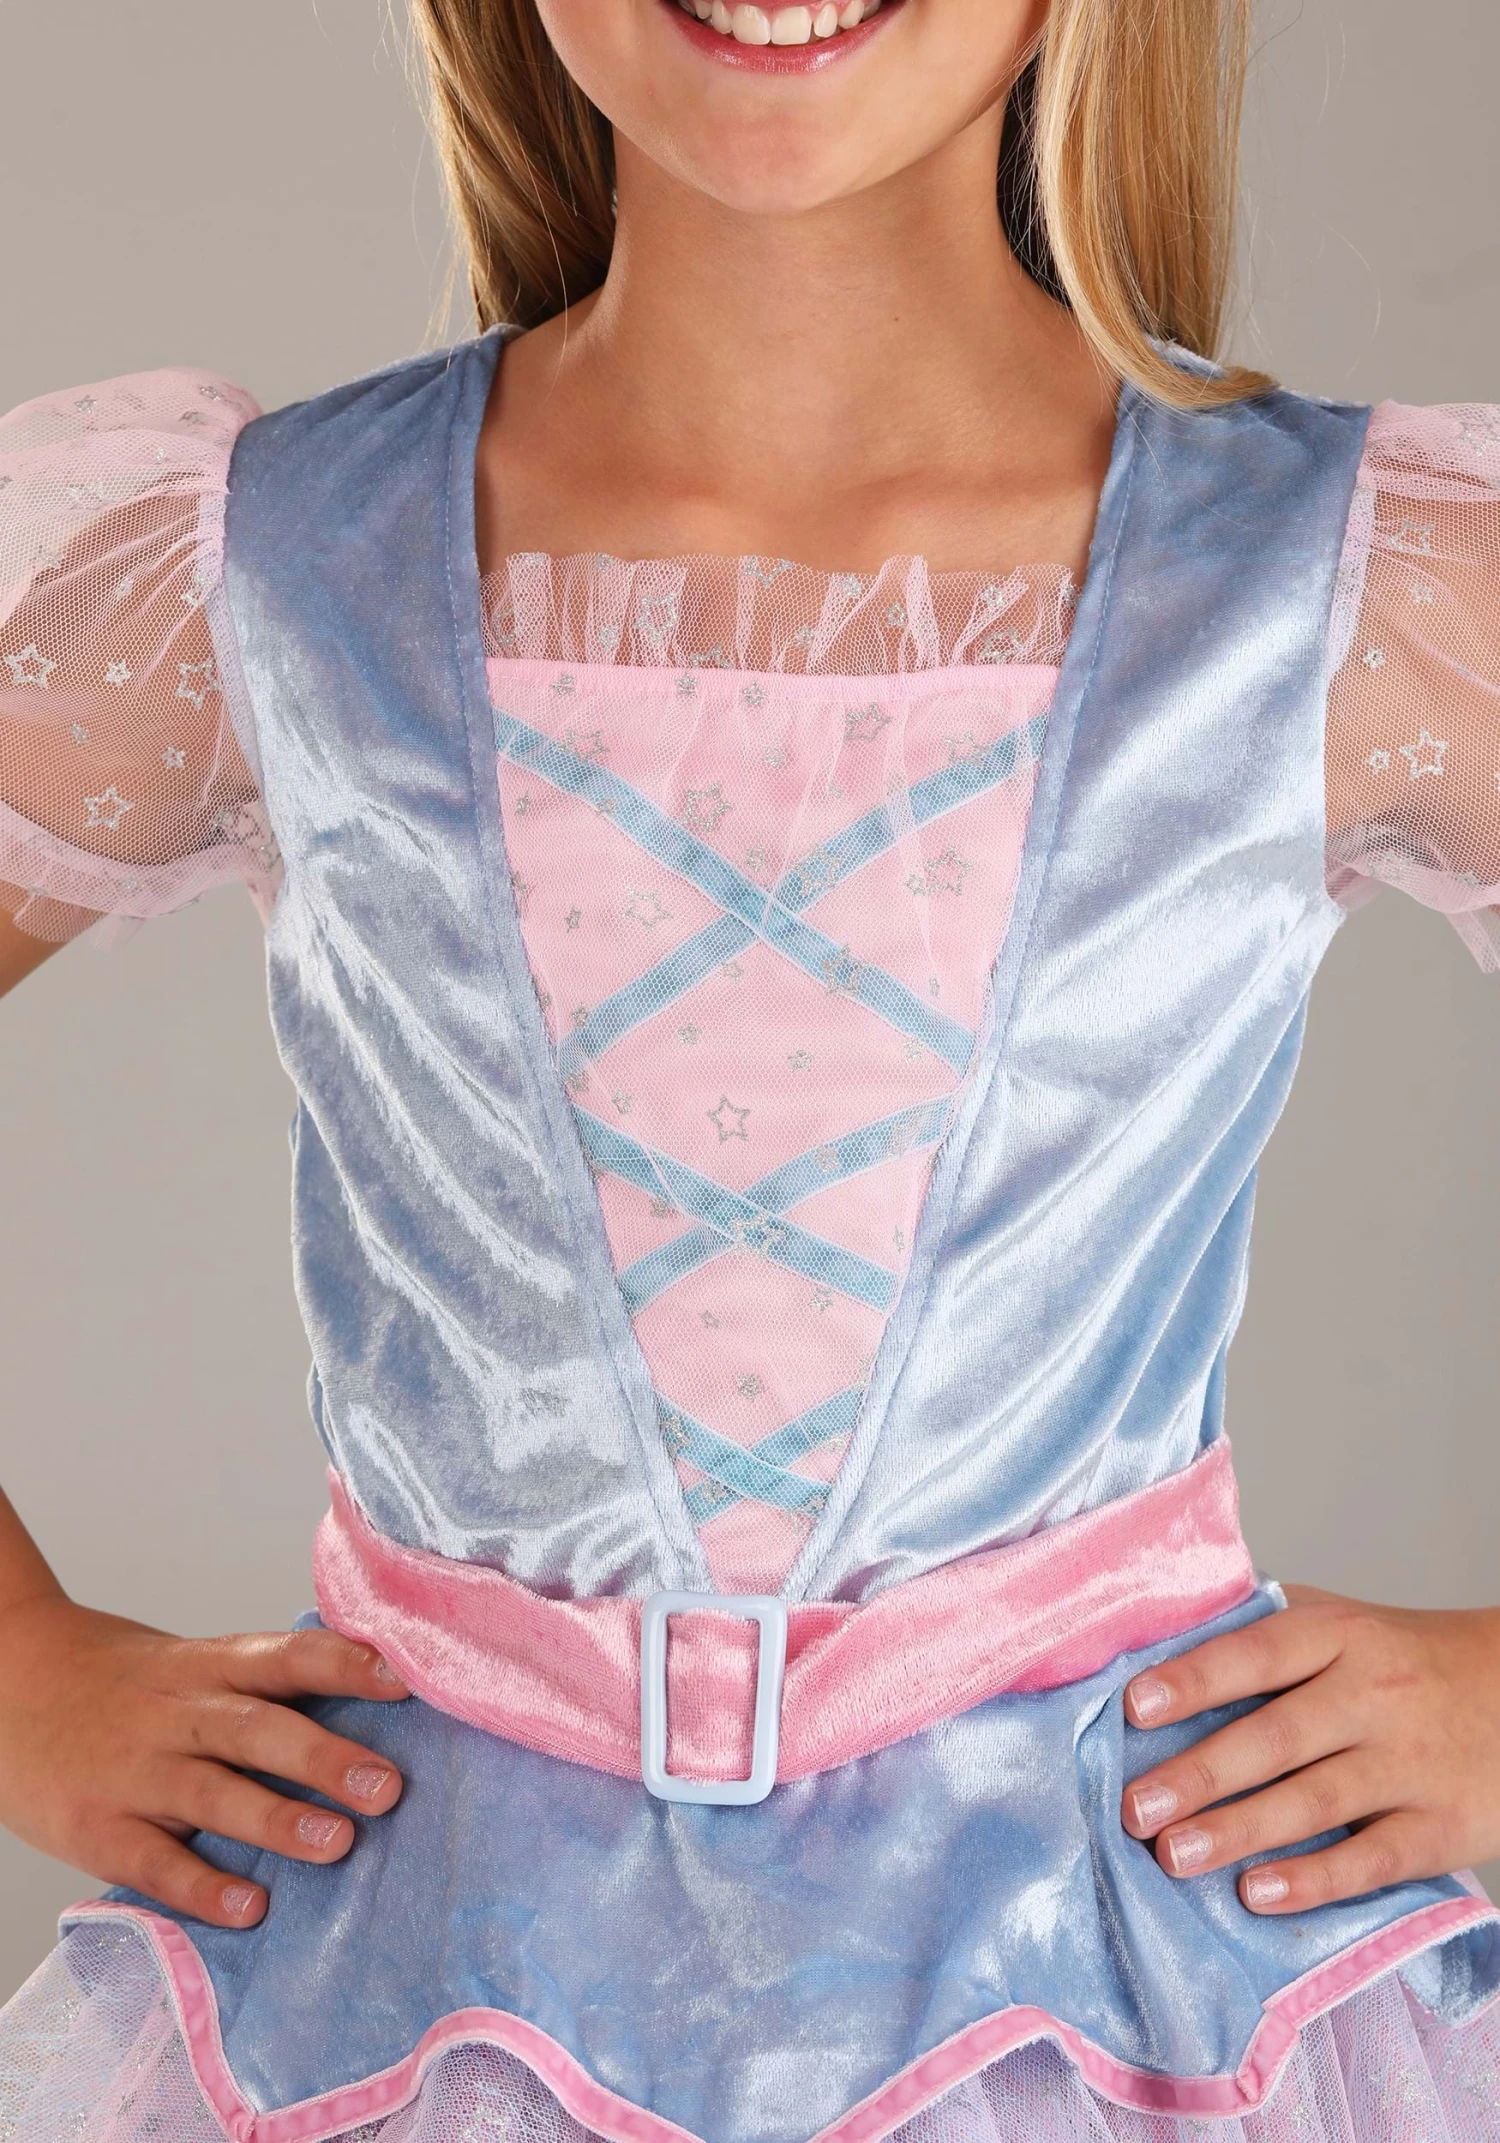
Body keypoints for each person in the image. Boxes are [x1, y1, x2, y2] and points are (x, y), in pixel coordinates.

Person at [0, 0, 1497, 2135]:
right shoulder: (270, 572)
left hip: (1126, 1988)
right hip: (419, 1981)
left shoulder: (1339, 588)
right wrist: (27, 1681)